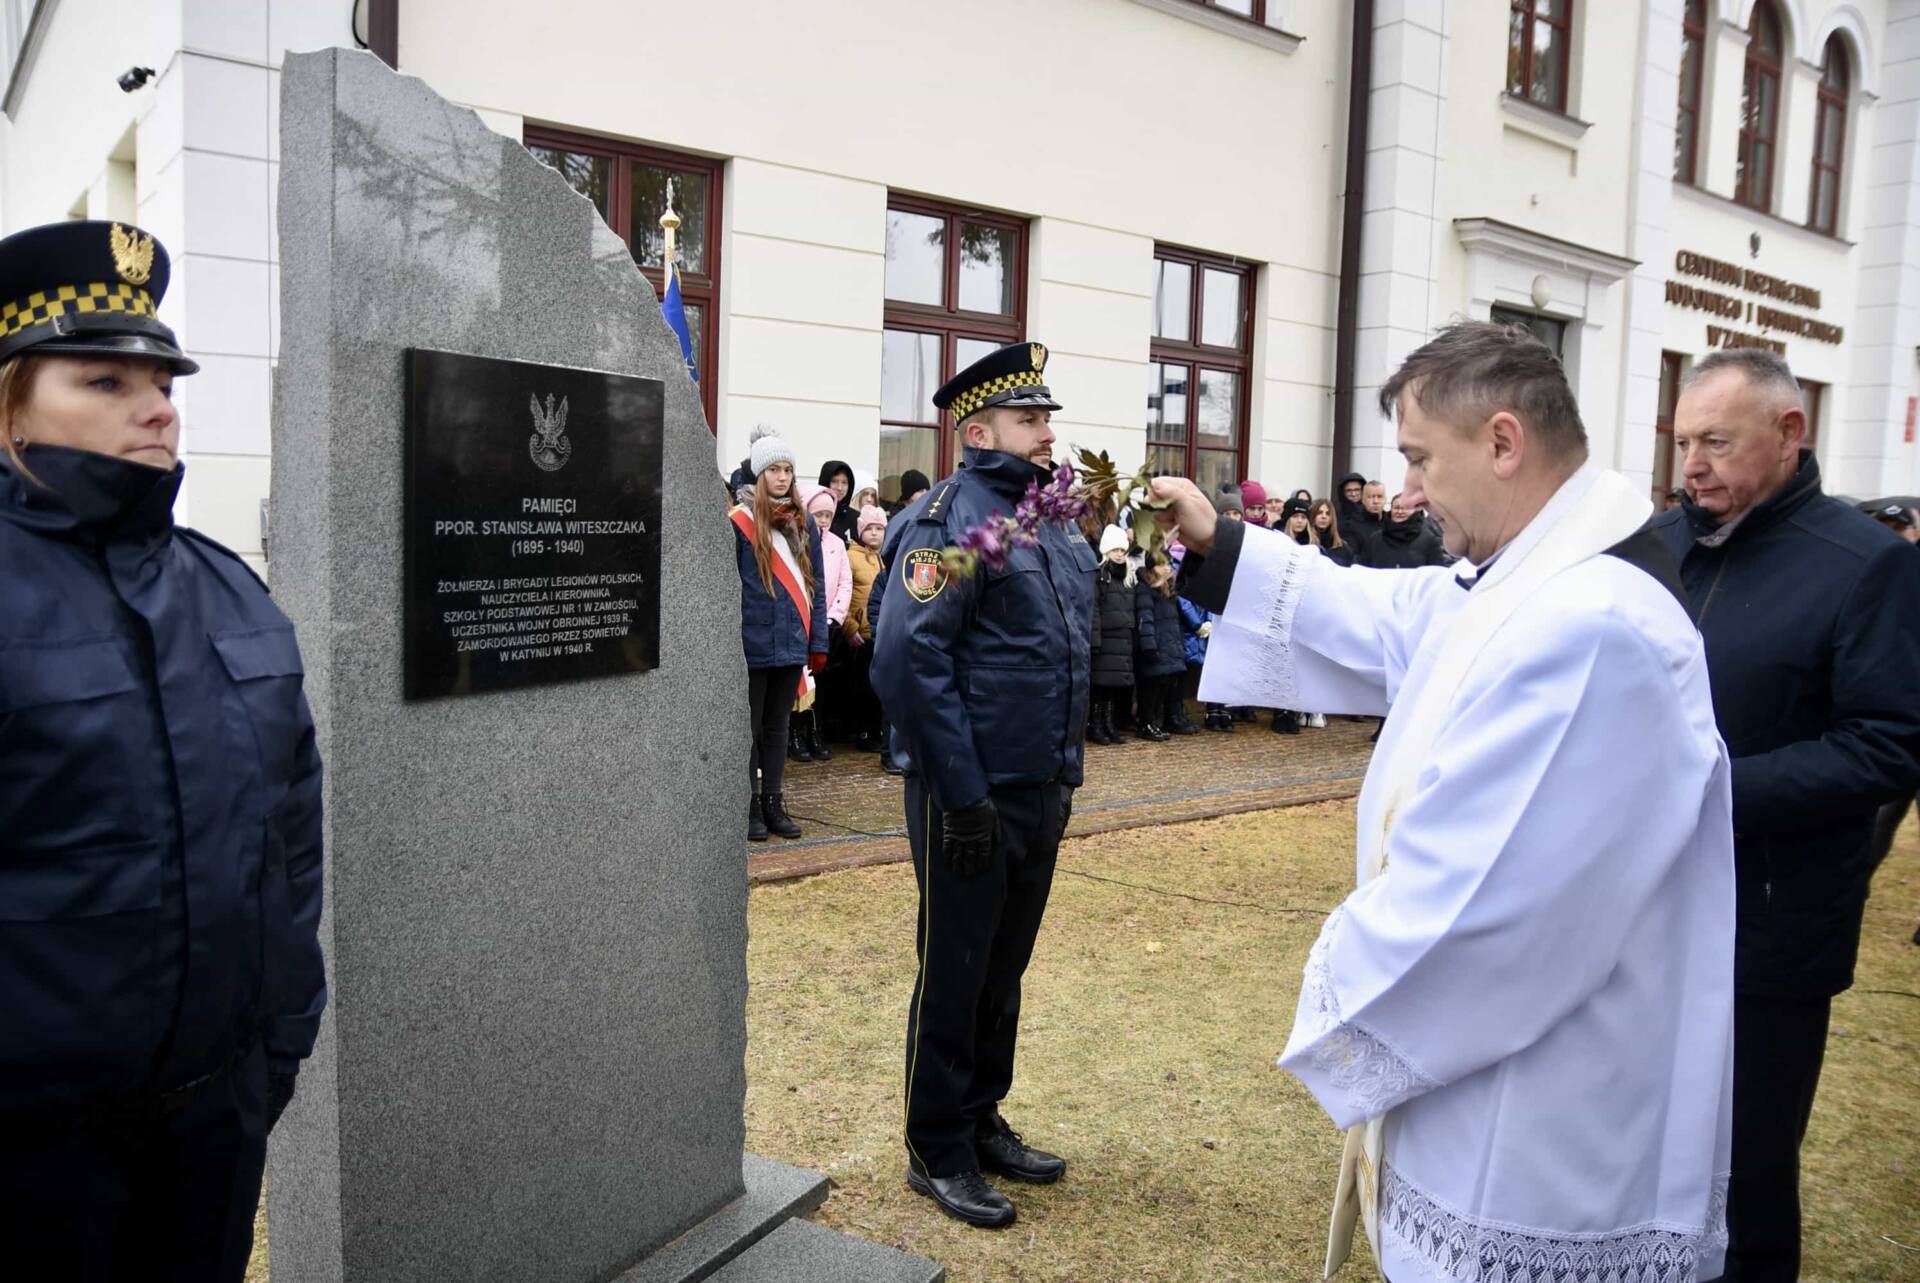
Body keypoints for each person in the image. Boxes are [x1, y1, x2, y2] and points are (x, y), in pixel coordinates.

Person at [1155, 320, 1734, 1282]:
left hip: (1546, 1118)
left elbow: (1482, 906)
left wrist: (1335, 987)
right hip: (1493, 1075)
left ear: (1503, 442)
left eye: (1422, 458)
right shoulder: (1524, 577)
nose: (1410, 491)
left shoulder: (1593, 626)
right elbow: (1393, 615)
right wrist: (1221, 544)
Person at [0, 220, 327, 1281]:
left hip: (212, 1124)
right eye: (103, 379)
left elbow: (290, 841)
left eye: (163, 380)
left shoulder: (227, 587)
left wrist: (277, 1041)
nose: (156, 406)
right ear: (9, 400)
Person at [1652, 348, 1920, 1282]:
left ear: (1789, 433)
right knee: (1645, 1149)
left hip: (1772, 922)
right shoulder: (1660, 545)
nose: (1692, 464)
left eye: (1717, 441)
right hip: (1645, 910)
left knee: (1745, 1172)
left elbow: (1889, 742)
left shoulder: (1868, 564)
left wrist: (1714, 794)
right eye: (1683, 441)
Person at [870, 340, 1092, 1230]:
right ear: (978, 428)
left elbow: (1060, 650)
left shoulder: (1042, 519)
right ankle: (938, 1145)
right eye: (1030, 418)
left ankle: (980, 1115)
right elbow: (907, 658)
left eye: (1048, 417)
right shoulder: (953, 522)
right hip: (972, 794)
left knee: (1005, 966)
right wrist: (960, 795)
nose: (1047, 432)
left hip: (1039, 785)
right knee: (957, 969)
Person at [733, 425, 829, 841]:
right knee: (749, 729)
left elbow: (816, 584)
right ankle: (749, 805)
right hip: (751, 642)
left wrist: (818, 642)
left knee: (777, 728)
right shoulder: (739, 522)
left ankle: (774, 801)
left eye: (788, 469)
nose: (782, 477)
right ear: (759, 474)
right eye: (774, 469)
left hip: (792, 641)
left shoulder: (804, 521)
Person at [789, 484, 852, 762]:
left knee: (820, 684)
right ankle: (796, 733)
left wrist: (833, 616)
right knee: (798, 683)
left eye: (828, 515)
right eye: (818, 514)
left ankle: (816, 731)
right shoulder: (798, 539)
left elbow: (844, 583)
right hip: (801, 620)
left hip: (825, 624)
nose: (823, 520)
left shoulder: (837, 544)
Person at [1089, 524, 1150, 745]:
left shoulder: (1128, 578)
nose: (1119, 554)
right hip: (1106, 638)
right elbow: (1094, 608)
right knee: (1100, 686)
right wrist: (1095, 640)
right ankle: (1096, 724)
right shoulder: (1100, 576)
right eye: (1115, 550)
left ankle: (1109, 723)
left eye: (1122, 550)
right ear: (1106, 551)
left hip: (1122, 638)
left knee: (1114, 688)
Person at [842, 504, 888, 752]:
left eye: (879, 528)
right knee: (861, 688)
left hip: (881, 634)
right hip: (862, 633)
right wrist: (850, 626)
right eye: (869, 528)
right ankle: (861, 731)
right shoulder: (851, 557)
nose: (874, 533)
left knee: (877, 689)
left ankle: (876, 731)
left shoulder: (887, 557)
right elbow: (846, 594)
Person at [1136, 560, 1192, 738]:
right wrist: (1149, 646)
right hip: (1156, 644)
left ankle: (1156, 721)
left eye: (1169, 564)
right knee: (1151, 688)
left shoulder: (1169, 592)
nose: (1168, 568)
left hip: (1168, 644)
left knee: (1164, 686)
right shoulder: (1145, 589)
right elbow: (1145, 618)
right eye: (1162, 565)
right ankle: (1146, 723)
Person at [1358, 492, 1450, 569]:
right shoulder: (1375, 540)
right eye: (1396, 508)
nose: (1400, 512)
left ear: (1414, 510)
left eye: (1405, 508)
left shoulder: (1428, 540)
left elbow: (1436, 573)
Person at [818, 459, 857, 543]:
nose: (840, 488)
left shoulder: (856, 518)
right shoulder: (814, 514)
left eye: (844, 483)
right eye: (834, 481)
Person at [1307, 498, 1353, 567]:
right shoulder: (1305, 544)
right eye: (1319, 513)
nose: (1324, 516)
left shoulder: (1344, 549)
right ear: (1312, 516)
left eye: (1328, 514)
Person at [1334, 470, 1371, 546]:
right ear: (1343, 493)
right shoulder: (1336, 516)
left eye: (1357, 490)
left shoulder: (1371, 514)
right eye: (1349, 490)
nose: (1353, 494)